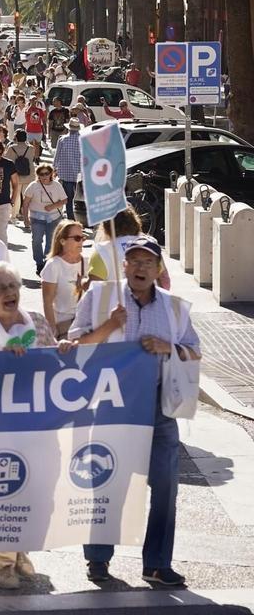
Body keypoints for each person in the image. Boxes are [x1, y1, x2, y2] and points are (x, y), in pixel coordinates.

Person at [69, 236, 200, 589]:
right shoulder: (99, 298)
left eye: (148, 262)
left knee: (166, 487)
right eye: (134, 261)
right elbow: (75, 345)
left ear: (158, 269)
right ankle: (98, 560)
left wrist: (168, 347)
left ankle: (157, 564)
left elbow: (194, 351)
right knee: (108, 480)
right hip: (113, 405)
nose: (141, 268)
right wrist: (110, 326)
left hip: (159, 406)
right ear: (123, 266)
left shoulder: (174, 307)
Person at [0, 262, 66, 590]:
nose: (10, 292)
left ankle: (21, 552)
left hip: (39, 427)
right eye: (0, 289)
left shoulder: (35, 322)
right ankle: (3, 564)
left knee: (41, 494)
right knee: (3, 495)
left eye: (13, 286)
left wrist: (62, 351)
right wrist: (0, 360)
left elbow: (54, 365)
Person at [41, 220, 88, 338]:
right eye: (77, 238)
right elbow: (47, 302)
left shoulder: (87, 262)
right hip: (63, 327)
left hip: (84, 325)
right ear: (62, 241)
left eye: (83, 237)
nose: (81, 241)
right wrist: (52, 330)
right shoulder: (53, 265)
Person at [22, 163, 69, 272]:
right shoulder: (33, 186)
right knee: (37, 240)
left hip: (53, 218)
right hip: (37, 217)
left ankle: (47, 262)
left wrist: (53, 206)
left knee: (50, 241)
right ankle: (39, 263)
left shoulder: (57, 185)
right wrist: (25, 218)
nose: (44, 176)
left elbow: (65, 200)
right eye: (41, 174)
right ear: (38, 175)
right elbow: (25, 203)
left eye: (46, 174)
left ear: (51, 174)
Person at [52, 119, 82, 222]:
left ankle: (70, 218)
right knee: (78, 198)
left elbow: (57, 157)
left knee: (68, 199)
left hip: (65, 174)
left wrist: (54, 169)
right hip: (79, 175)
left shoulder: (62, 140)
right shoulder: (83, 140)